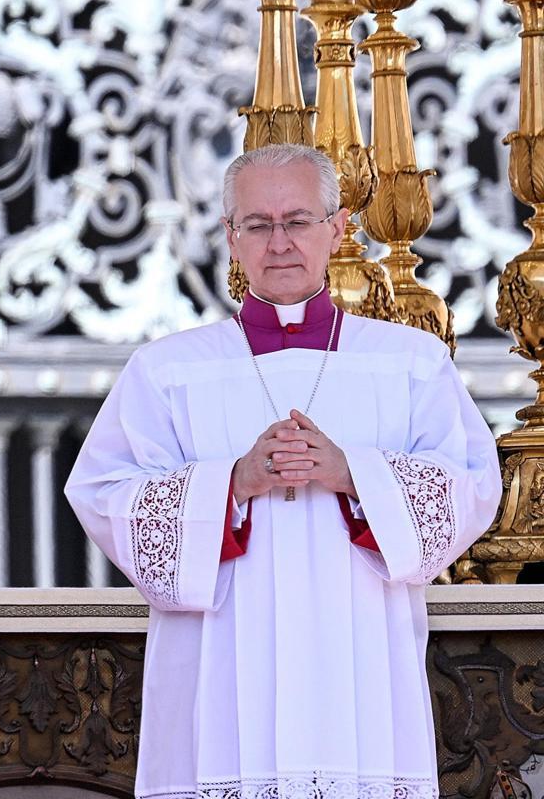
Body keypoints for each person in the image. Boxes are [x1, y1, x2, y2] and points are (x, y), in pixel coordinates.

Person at [66, 142, 499, 798]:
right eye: (258, 225)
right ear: (231, 238)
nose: (280, 243)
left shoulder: (408, 361)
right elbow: (102, 493)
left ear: (337, 228)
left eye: (297, 221)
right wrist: (233, 483)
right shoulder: (168, 370)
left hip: (360, 666)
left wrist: (354, 473)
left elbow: (471, 484)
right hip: (222, 667)